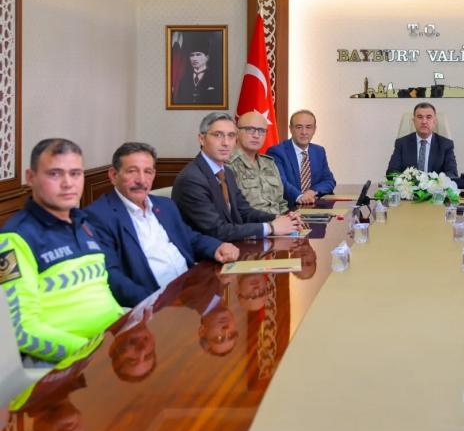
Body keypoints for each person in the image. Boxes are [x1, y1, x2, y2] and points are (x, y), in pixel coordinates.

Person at [0, 139, 123, 363]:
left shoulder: (84, 224)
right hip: (62, 363)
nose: (68, 183)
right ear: (31, 177)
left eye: (75, 173)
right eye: (55, 174)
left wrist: (125, 326)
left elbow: (100, 290)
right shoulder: (14, 239)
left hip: (107, 345)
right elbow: (22, 331)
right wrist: (93, 353)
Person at [85, 142, 240, 308]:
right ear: (113, 175)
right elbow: (111, 276)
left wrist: (217, 247)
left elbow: (190, 238)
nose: (141, 180)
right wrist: (154, 303)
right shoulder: (99, 216)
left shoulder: (165, 205)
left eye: (148, 172)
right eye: (132, 171)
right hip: (154, 304)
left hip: (190, 292)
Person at [172, 112, 302, 241]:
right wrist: (270, 227)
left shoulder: (225, 172)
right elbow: (217, 231)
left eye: (231, 135)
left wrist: (278, 219)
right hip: (207, 251)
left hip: (232, 245)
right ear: (202, 139)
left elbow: (244, 211)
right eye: (218, 135)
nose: (226, 143)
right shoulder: (192, 179)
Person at [267, 109, 337, 207]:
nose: (304, 132)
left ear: (314, 129)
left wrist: (312, 191)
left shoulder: (319, 151)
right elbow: (280, 182)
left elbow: (329, 181)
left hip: (312, 207)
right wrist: (300, 196)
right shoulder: (277, 152)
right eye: (298, 127)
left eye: (308, 127)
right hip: (287, 208)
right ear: (291, 129)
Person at [227, 111, 289, 215]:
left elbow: (281, 203)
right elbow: (231, 210)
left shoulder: (269, 163)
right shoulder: (227, 164)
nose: (256, 135)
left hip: (279, 221)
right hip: (252, 224)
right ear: (237, 132)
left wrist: (289, 217)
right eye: (250, 129)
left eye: (261, 131)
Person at [385, 102, 458, 177]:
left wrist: (431, 181)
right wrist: (409, 181)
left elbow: (452, 173)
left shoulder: (446, 145)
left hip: (435, 184)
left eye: (428, 117)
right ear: (414, 121)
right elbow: (392, 172)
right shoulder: (402, 143)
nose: (424, 122)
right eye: (420, 117)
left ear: (434, 121)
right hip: (408, 184)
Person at [173, 35, 221, 105]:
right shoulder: (184, 79)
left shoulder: (216, 78)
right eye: (192, 55)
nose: (194, 58)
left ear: (207, 57)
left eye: (198, 54)